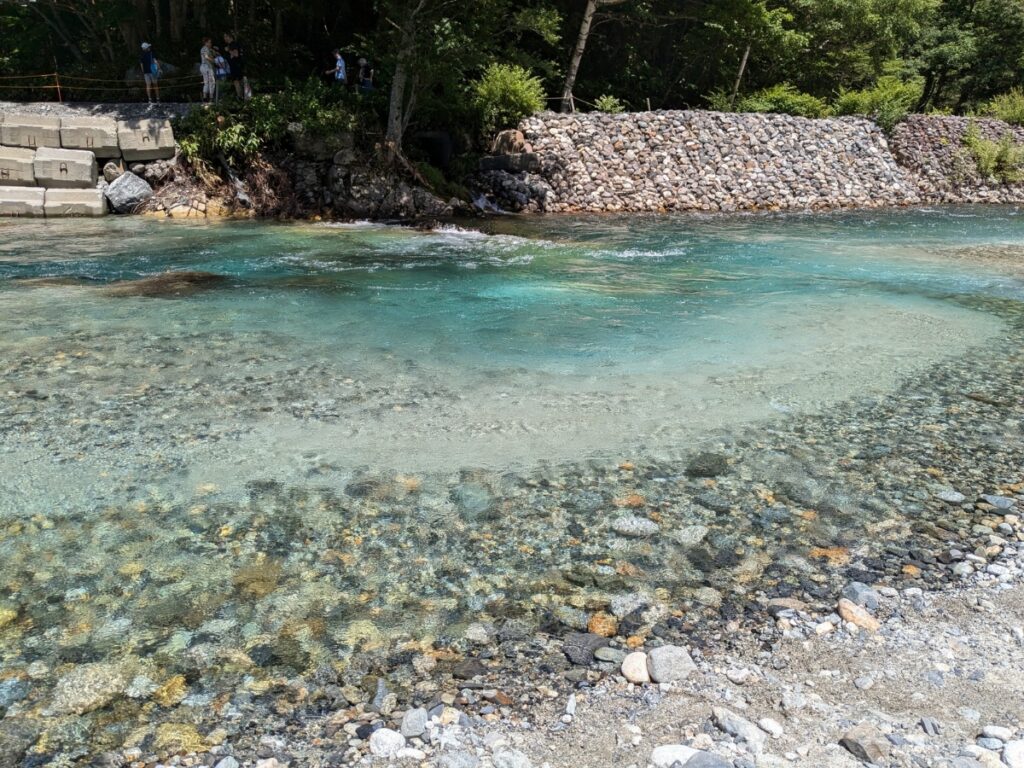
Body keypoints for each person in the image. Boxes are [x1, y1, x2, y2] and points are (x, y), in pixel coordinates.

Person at [223, 32, 251, 100]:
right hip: (234, 66)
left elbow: (236, 55)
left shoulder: (233, 44)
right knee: (236, 81)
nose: (224, 38)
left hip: (237, 65)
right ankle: (240, 96)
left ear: (229, 37)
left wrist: (228, 50)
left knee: (238, 80)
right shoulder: (230, 45)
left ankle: (242, 96)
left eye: (225, 37)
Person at [200, 37, 216, 103]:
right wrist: (214, 61)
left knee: (206, 82)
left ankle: (205, 98)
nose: (210, 43)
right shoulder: (205, 48)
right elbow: (206, 57)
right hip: (207, 67)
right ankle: (211, 98)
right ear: (206, 43)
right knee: (212, 82)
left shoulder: (206, 49)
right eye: (209, 42)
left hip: (203, 67)